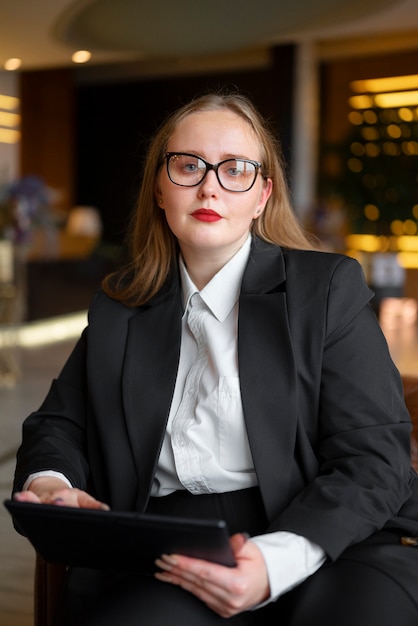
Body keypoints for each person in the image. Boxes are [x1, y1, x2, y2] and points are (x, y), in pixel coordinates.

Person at [12, 91, 418, 626]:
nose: (210, 185)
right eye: (188, 166)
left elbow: (376, 458)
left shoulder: (326, 289)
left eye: (236, 169)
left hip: (336, 533)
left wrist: (275, 561)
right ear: (160, 188)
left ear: (262, 195)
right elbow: (58, 424)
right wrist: (52, 485)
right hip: (179, 544)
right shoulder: (121, 306)